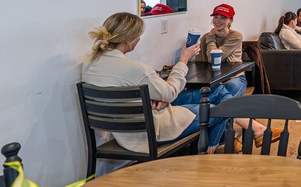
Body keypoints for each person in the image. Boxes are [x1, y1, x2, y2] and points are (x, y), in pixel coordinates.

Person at [81, 12, 230, 154]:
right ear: (129, 40)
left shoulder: (89, 65)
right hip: (153, 132)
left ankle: (225, 140)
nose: (139, 39)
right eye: (138, 35)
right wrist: (183, 59)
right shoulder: (136, 69)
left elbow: (121, 90)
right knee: (219, 110)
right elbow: (170, 93)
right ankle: (217, 147)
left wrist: (155, 98)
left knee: (216, 92)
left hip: (124, 134)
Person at [198, 4, 246, 97]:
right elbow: (200, 62)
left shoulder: (236, 36)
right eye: (215, 17)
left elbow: (213, 59)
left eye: (223, 18)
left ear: (230, 20)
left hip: (234, 78)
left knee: (229, 88)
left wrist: (211, 39)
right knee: (209, 92)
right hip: (213, 80)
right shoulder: (205, 38)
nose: (217, 21)